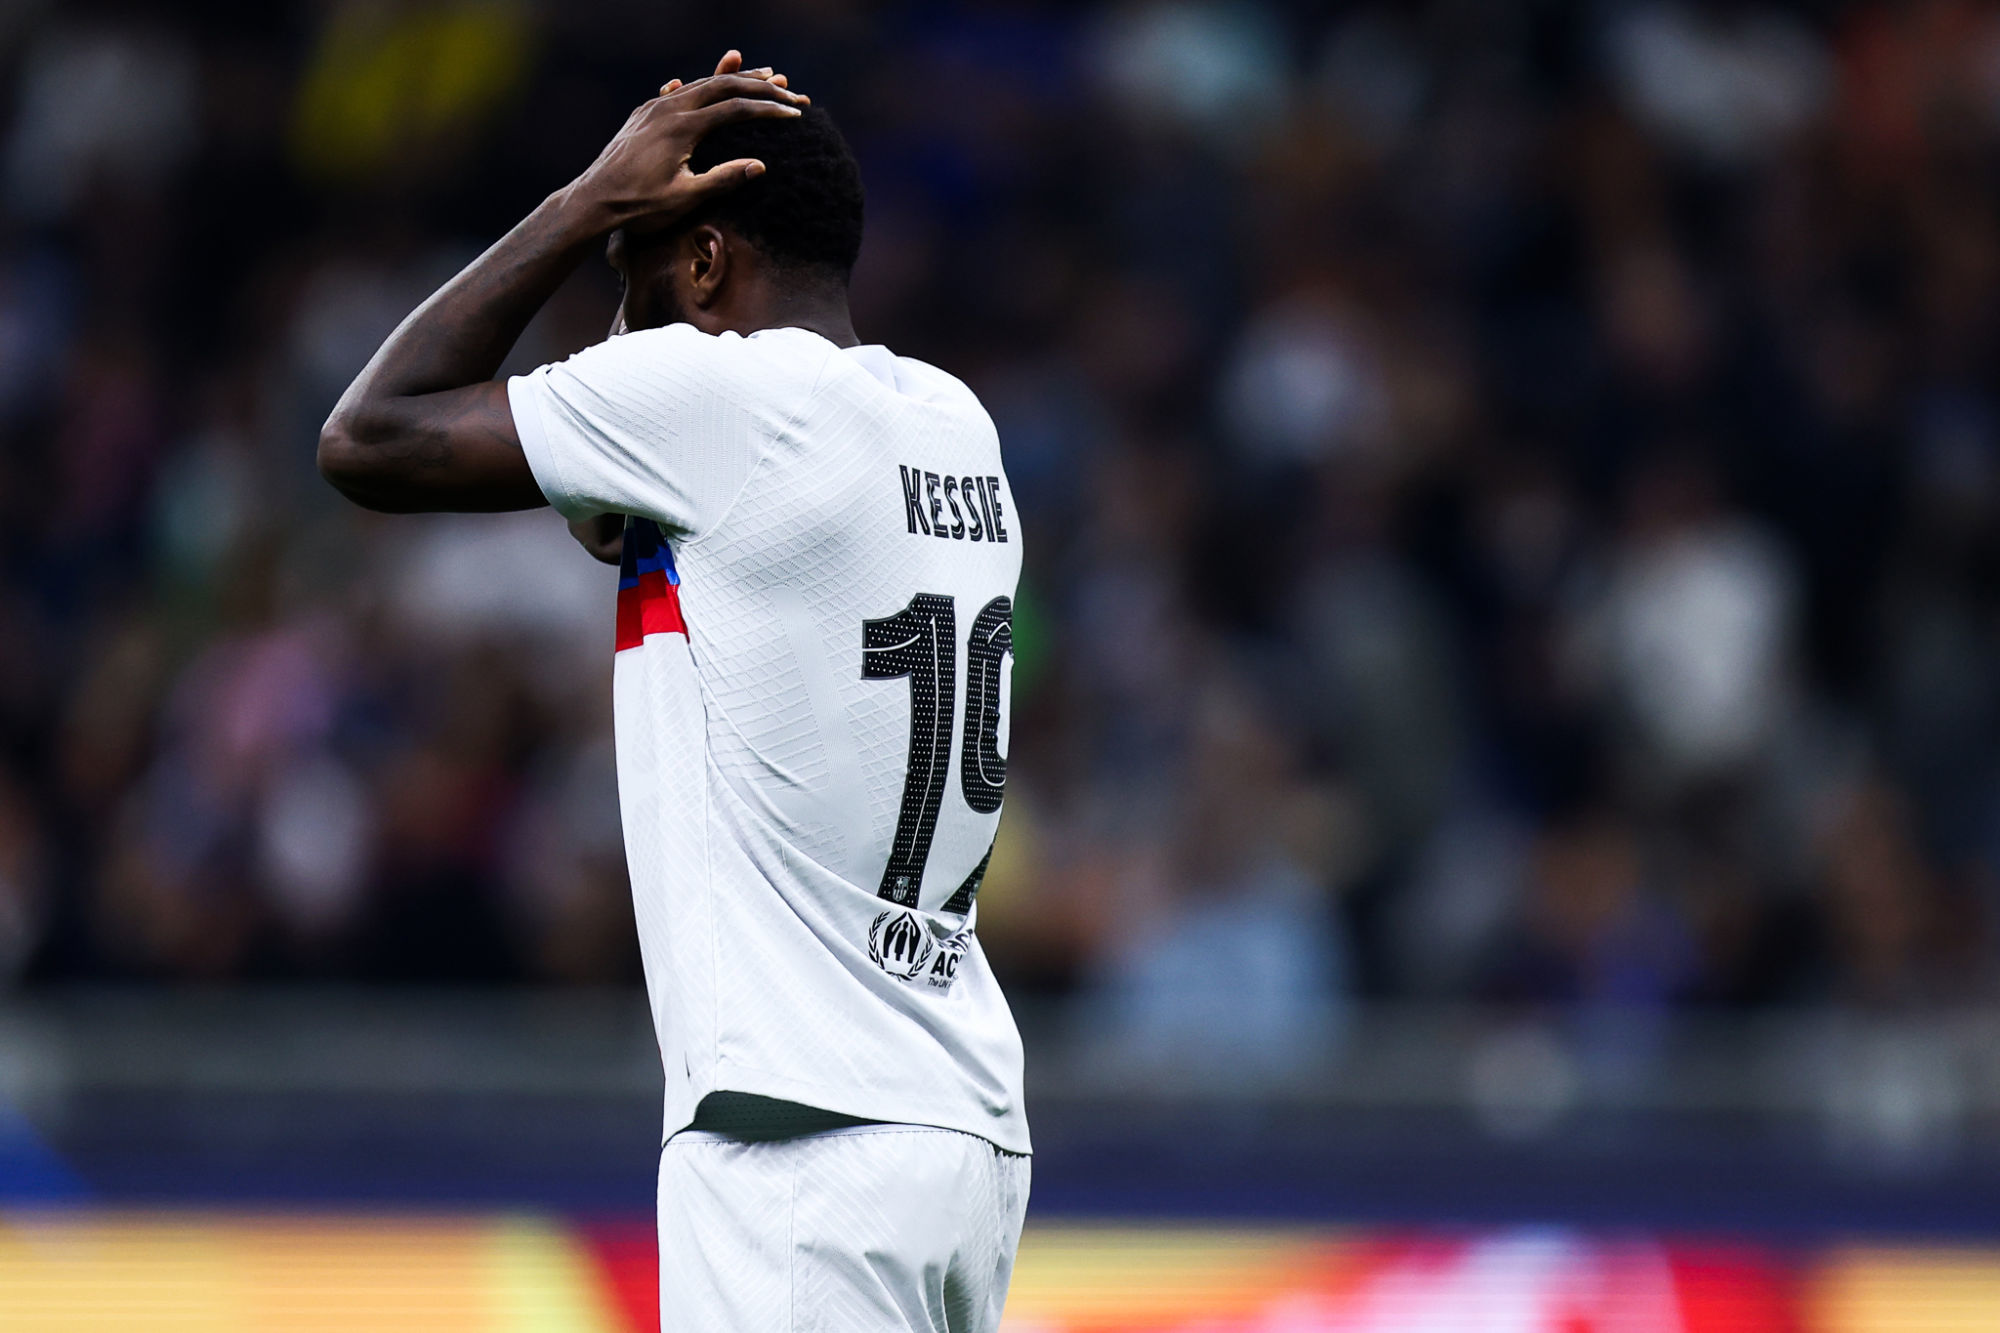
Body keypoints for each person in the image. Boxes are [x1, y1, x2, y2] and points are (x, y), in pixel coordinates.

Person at [317, 51, 1029, 1333]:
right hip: (958, 1129)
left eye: (631, 274)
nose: (619, 314)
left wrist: (584, 201)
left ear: (703, 262)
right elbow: (621, 523)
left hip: (798, 1147)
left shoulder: (713, 403)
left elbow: (367, 435)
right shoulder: (951, 420)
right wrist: (634, 261)